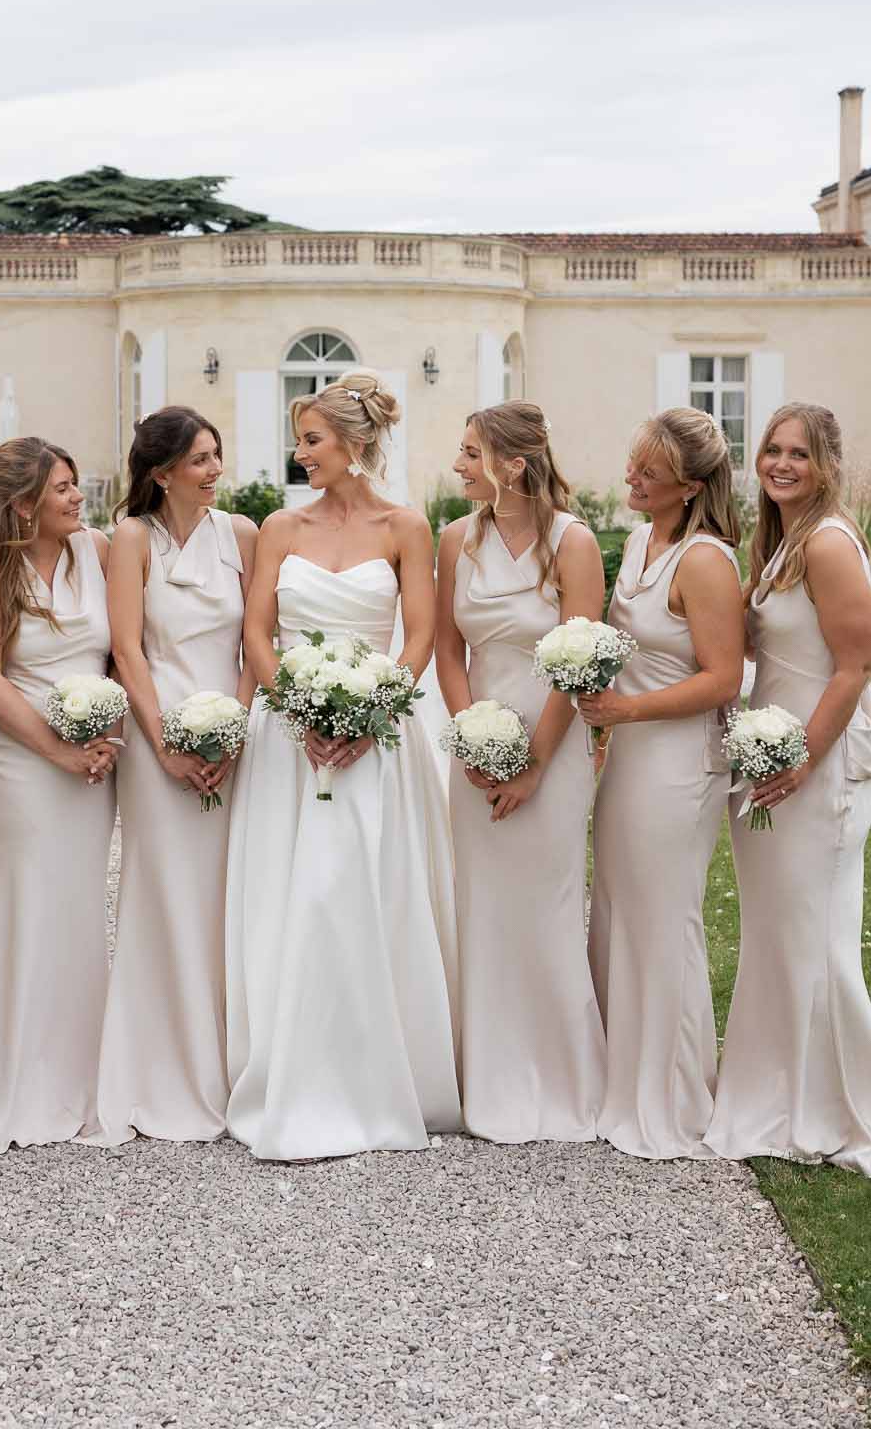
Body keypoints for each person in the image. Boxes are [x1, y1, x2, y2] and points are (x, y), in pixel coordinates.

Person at [225, 370, 460, 1159]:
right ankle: (289, 1065)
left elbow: (418, 637)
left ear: (354, 444)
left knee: (360, 889)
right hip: (288, 738)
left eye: (312, 440)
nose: (300, 454)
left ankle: (378, 1070)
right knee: (293, 890)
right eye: (299, 440)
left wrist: (371, 714)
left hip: (376, 735)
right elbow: (257, 633)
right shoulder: (279, 527)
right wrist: (296, 711)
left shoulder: (405, 527)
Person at [705, 403, 871, 1175]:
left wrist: (800, 758)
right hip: (768, 758)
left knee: (816, 935)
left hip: (817, 766)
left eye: (798, 453)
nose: (780, 464)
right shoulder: (779, 542)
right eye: (771, 450)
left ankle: (846, 1112)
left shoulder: (826, 542)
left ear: (825, 466)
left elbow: (855, 666)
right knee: (777, 932)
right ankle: (772, 1093)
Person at [435, 403, 606, 1142]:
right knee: (482, 905)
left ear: (513, 464)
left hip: (553, 741)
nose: (458, 465)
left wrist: (533, 763)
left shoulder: (573, 541)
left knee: (548, 901)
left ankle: (563, 1079)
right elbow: (447, 651)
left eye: (471, 453)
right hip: (477, 735)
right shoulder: (455, 540)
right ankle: (487, 1076)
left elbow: (580, 660)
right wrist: (471, 735)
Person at [579, 407, 745, 1159]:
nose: (632, 478)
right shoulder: (641, 541)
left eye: (649, 472)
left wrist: (626, 710)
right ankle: (621, 1075)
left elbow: (722, 677)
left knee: (662, 916)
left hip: (679, 763)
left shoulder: (705, 561)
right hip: (631, 757)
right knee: (618, 908)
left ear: (691, 486)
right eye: (634, 464)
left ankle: (670, 1095)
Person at [91, 409, 256, 1143]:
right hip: (156, 737)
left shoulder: (243, 534)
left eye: (216, 455)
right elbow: (126, 649)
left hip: (232, 740)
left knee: (226, 897)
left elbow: (254, 643)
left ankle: (229, 1065)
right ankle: (159, 1068)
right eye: (199, 459)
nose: (215, 470)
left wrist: (237, 730)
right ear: (161, 473)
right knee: (163, 894)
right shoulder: (132, 538)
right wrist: (163, 746)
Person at [0, 438, 117, 1152]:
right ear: (23, 503)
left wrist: (105, 736)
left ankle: (84, 1078)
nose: (78, 497)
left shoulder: (96, 551)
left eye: (76, 484)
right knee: (25, 905)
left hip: (91, 761)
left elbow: (119, 654)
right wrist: (56, 749)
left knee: (78, 907)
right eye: (63, 488)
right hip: (18, 762)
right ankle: (13, 1083)